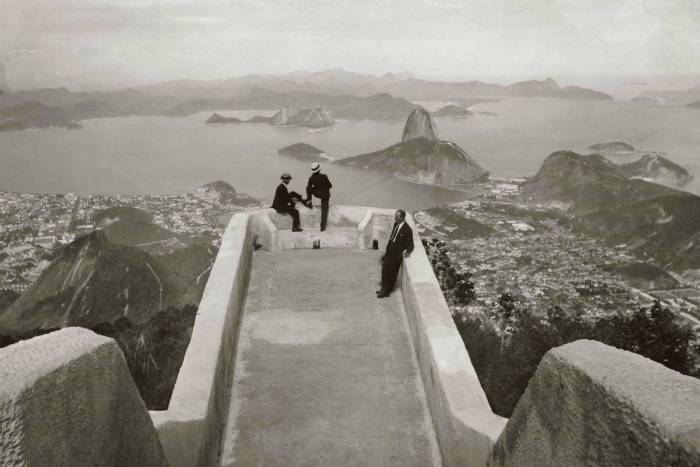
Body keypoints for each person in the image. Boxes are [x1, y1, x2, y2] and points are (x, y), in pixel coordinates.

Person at [377, 209, 414, 298]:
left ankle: (386, 292)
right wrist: (386, 253)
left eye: (397, 217)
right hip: (390, 251)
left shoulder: (407, 229)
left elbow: (411, 243)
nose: (395, 218)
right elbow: (392, 238)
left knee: (392, 273)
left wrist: (408, 252)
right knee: (384, 270)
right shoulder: (395, 225)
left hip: (396, 255)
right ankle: (383, 289)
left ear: (402, 217)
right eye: (395, 216)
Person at [305, 162, 333, 231]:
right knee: (324, 210)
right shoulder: (324, 176)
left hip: (318, 194)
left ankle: (309, 201)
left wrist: (316, 187)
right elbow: (330, 186)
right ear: (319, 169)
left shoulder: (311, 178)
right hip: (325, 195)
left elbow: (309, 187)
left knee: (308, 188)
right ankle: (322, 227)